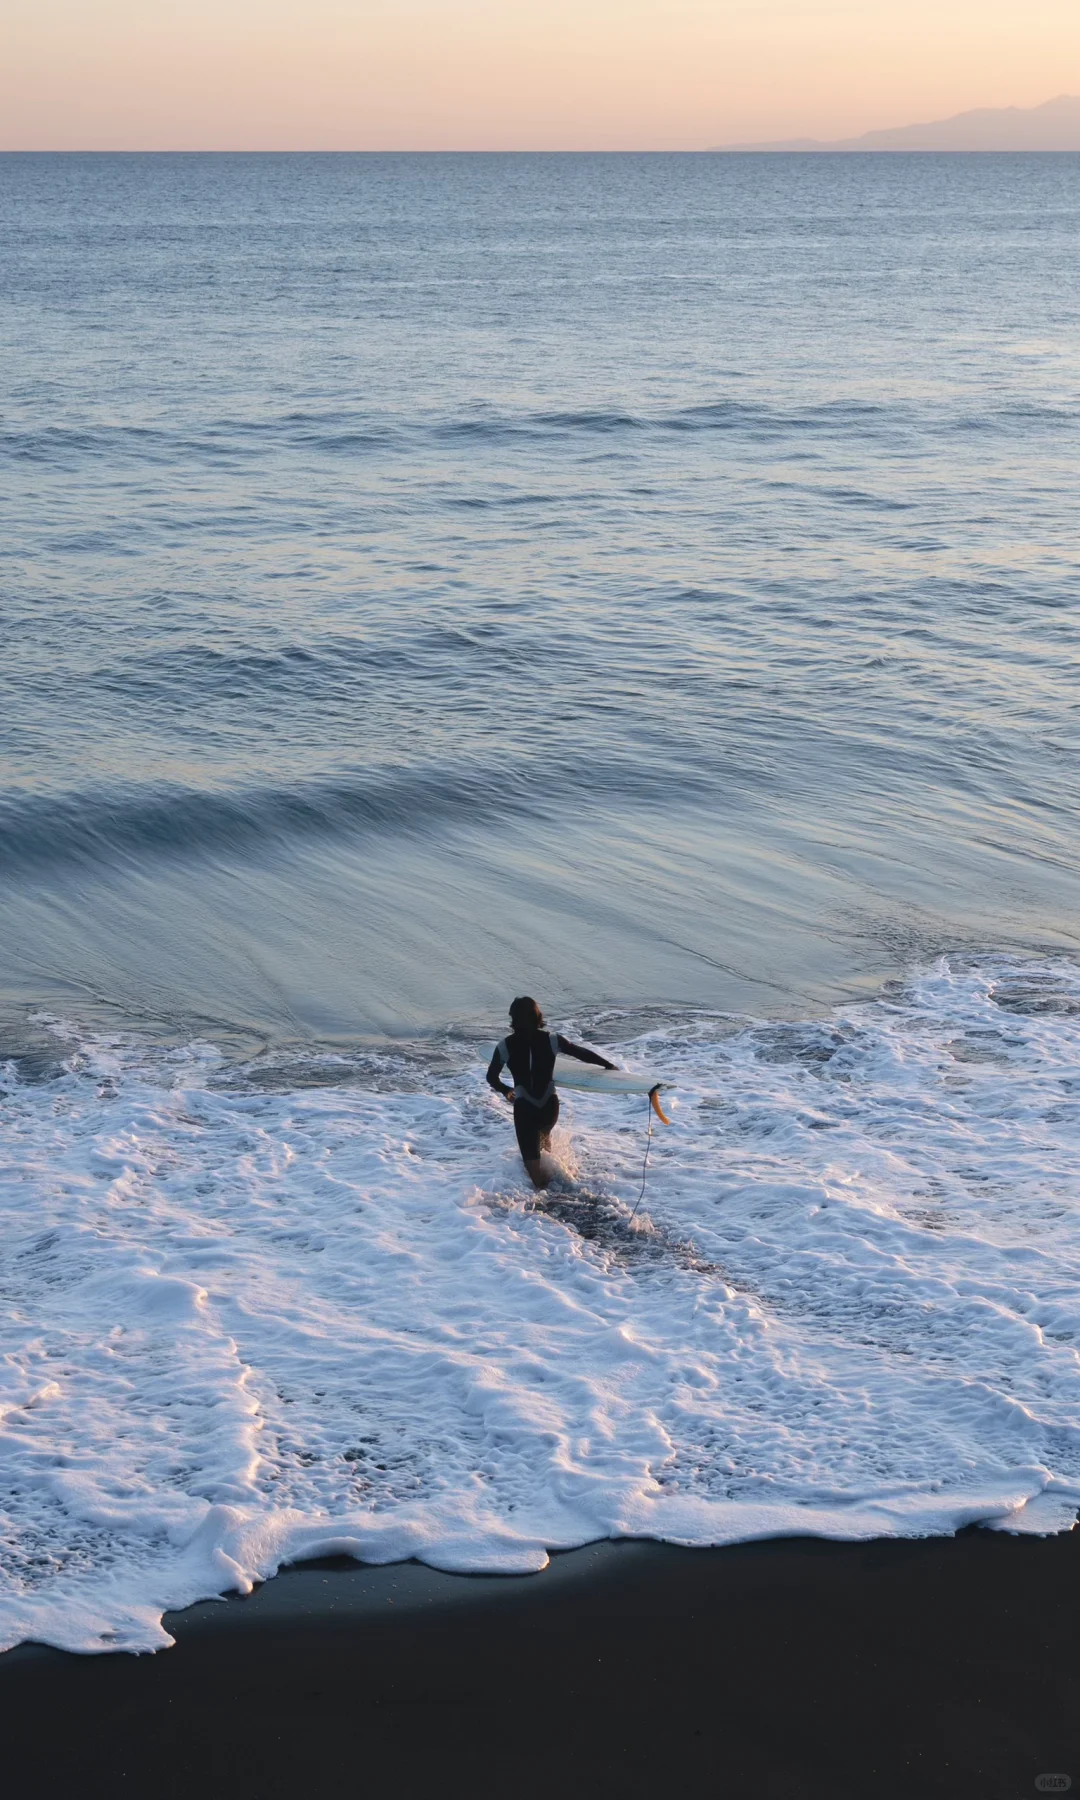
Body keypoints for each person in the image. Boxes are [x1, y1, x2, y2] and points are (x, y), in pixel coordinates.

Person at [486, 995, 617, 1188]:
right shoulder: (552, 1040)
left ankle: (547, 1199)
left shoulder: (505, 1046)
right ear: (537, 1016)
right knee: (545, 1149)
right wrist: (609, 1065)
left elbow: (491, 1077)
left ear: (513, 1019)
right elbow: (581, 1053)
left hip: (525, 1109)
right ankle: (560, 1187)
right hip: (549, 1107)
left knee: (534, 1170)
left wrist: (506, 1091)